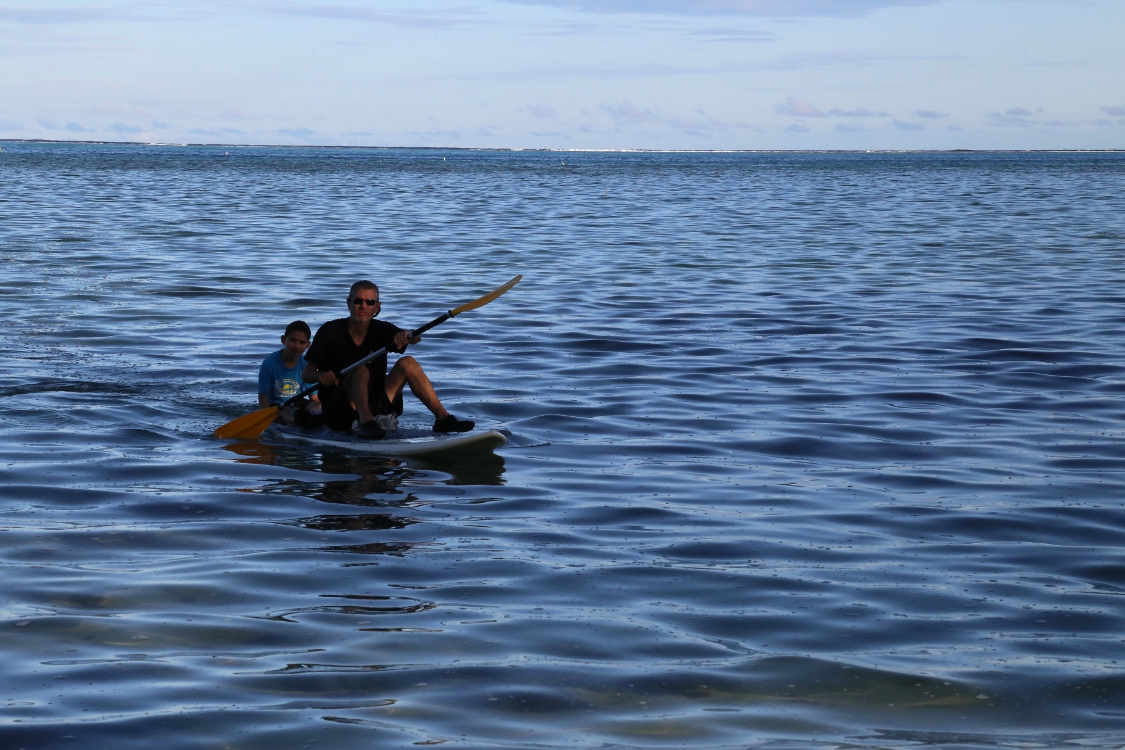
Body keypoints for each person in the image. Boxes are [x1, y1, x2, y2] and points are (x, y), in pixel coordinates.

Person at [302, 280, 475, 440]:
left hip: (377, 404)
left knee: (408, 363)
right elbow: (306, 374)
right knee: (360, 369)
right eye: (358, 301)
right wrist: (321, 376)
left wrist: (407, 335)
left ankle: (443, 419)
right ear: (348, 303)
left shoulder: (382, 329)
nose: (363, 306)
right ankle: (366, 423)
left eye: (370, 302)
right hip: (340, 410)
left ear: (377, 307)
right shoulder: (329, 331)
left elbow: (416, 339)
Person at [258, 320, 321, 426]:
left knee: (318, 408)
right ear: (283, 339)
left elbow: (314, 397)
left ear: (308, 345)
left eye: (302, 342)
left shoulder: (306, 365)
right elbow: (263, 397)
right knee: (288, 413)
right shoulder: (269, 363)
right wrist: (268, 417)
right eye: (293, 340)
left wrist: (320, 410)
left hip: (297, 401)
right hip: (276, 404)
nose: (296, 346)